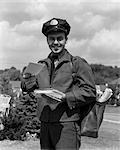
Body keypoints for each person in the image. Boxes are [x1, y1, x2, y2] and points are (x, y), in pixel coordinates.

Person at [21, 18, 96, 150]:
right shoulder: (41, 65)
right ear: (47, 40)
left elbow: (90, 92)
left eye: (59, 38)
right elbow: (29, 87)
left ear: (66, 40)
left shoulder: (77, 63)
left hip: (67, 126)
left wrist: (65, 97)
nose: (56, 42)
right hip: (45, 123)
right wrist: (27, 80)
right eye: (52, 39)